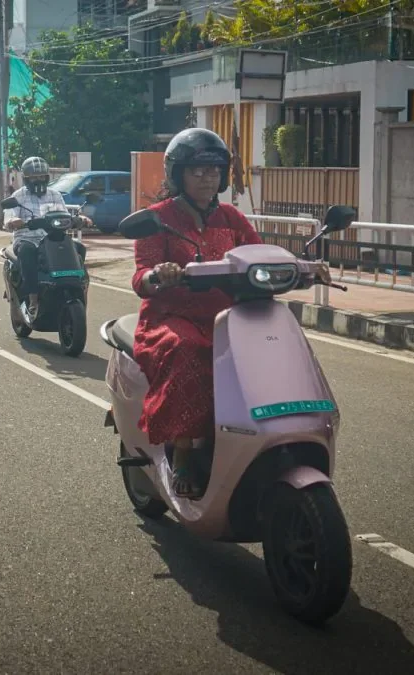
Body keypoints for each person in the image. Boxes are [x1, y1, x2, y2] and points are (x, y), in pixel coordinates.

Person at [131, 128, 331, 498]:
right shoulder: (158, 218)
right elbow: (141, 274)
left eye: (214, 171)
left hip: (230, 317)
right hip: (172, 318)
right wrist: (161, 275)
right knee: (189, 350)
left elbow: (260, 254)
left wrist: (305, 266)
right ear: (178, 174)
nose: (208, 178)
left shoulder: (231, 217)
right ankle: (186, 455)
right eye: (197, 171)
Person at [2, 156, 90, 316]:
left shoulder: (55, 195)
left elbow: (64, 214)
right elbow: (8, 219)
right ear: (27, 178)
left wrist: (80, 219)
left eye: (41, 176)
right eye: (34, 177)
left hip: (51, 238)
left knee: (79, 247)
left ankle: (81, 288)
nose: (38, 180)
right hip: (26, 238)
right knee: (27, 252)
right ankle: (33, 298)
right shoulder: (18, 196)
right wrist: (14, 221)